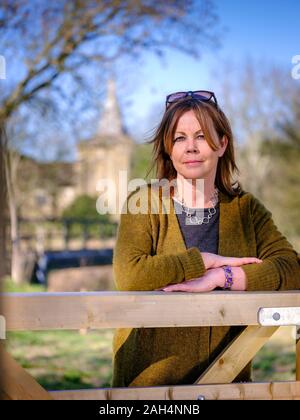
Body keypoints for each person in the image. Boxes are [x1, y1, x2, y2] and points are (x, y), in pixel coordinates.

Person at [111, 90, 300, 387]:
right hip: (149, 388)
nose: (191, 148)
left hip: (226, 386)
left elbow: (292, 268)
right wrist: (202, 262)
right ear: (168, 149)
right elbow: (128, 274)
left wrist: (222, 277)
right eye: (179, 138)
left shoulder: (245, 210)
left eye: (201, 136)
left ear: (222, 144)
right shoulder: (144, 203)